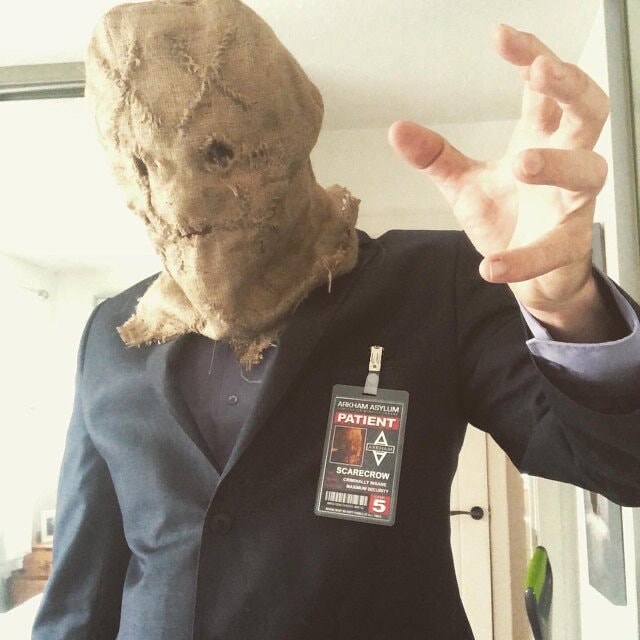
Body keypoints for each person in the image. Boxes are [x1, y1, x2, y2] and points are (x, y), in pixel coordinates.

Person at [32, 1, 640, 639]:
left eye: (218, 153)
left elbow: (622, 465)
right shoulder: (114, 333)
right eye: (145, 165)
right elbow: (81, 587)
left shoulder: (434, 284)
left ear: (290, 128)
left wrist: (566, 305)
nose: (180, 199)